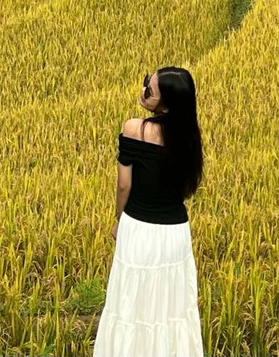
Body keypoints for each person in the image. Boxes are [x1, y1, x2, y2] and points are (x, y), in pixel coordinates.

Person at [92, 66, 205, 356]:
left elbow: (123, 186)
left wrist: (119, 221)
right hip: (175, 235)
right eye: (146, 82)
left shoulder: (135, 129)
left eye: (149, 90)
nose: (143, 91)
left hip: (139, 229)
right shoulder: (188, 137)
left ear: (165, 103)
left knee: (130, 303)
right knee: (171, 308)